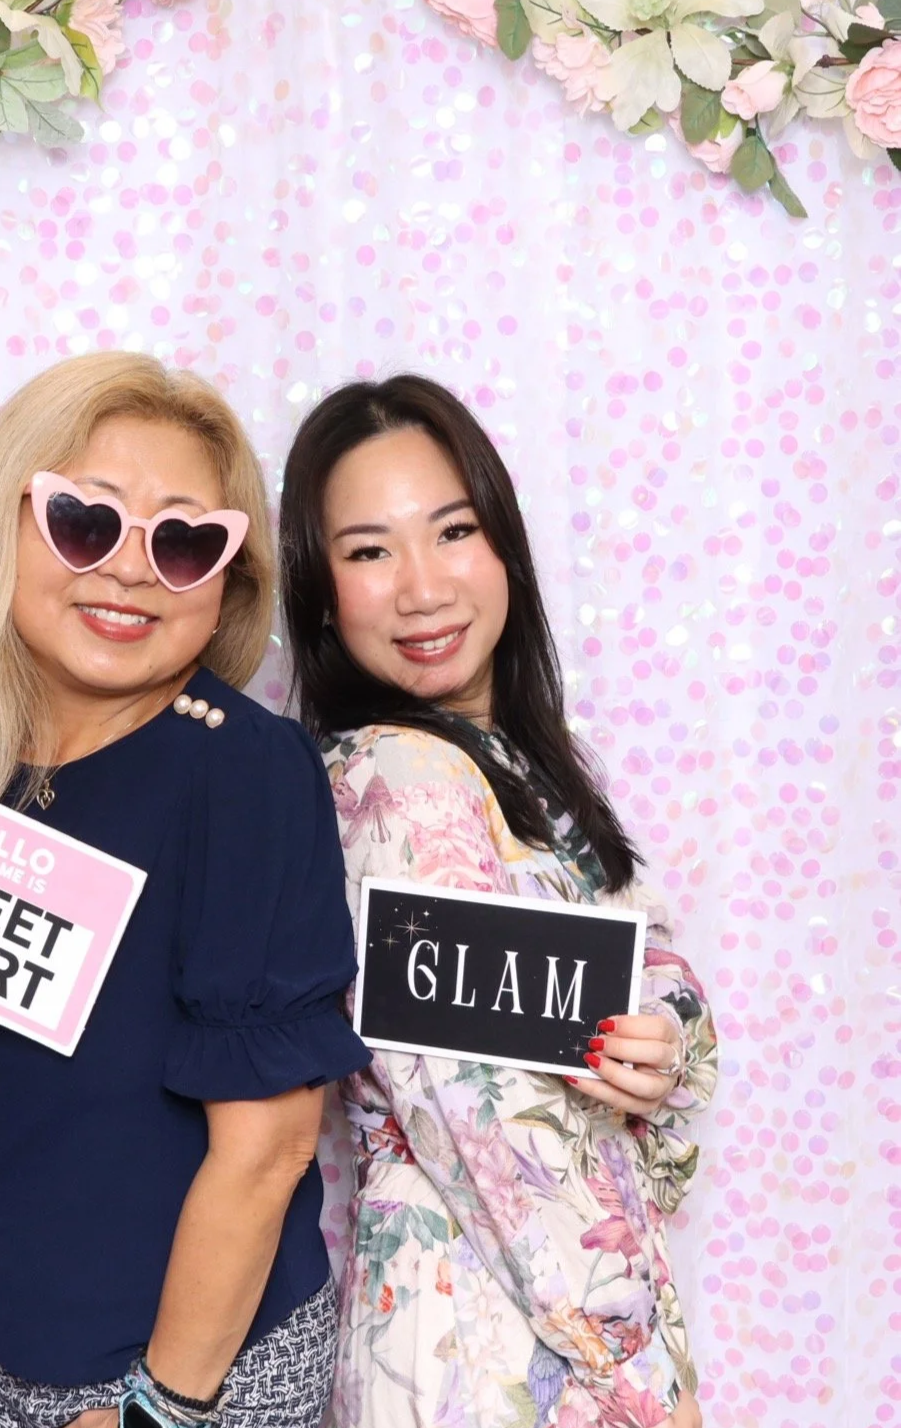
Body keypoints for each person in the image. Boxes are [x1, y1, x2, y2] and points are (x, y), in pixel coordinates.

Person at [0, 352, 371, 1428]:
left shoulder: (245, 772)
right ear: (10, 526)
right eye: (87, 522)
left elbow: (268, 1148)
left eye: (183, 541)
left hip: (190, 1376)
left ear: (226, 578)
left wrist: (160, 1409)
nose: (132, 571)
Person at [279, 374, 718, 1428]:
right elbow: (486, 1125)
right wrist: (630, 1372)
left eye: (453, 531)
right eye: (370, 551)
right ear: (321, 592)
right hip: (495, 1350)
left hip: (533, 1340)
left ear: (505, 546)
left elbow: (661, 991)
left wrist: (657, 1045)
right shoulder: (399, 784)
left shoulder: (534, 773)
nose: (422, 587)